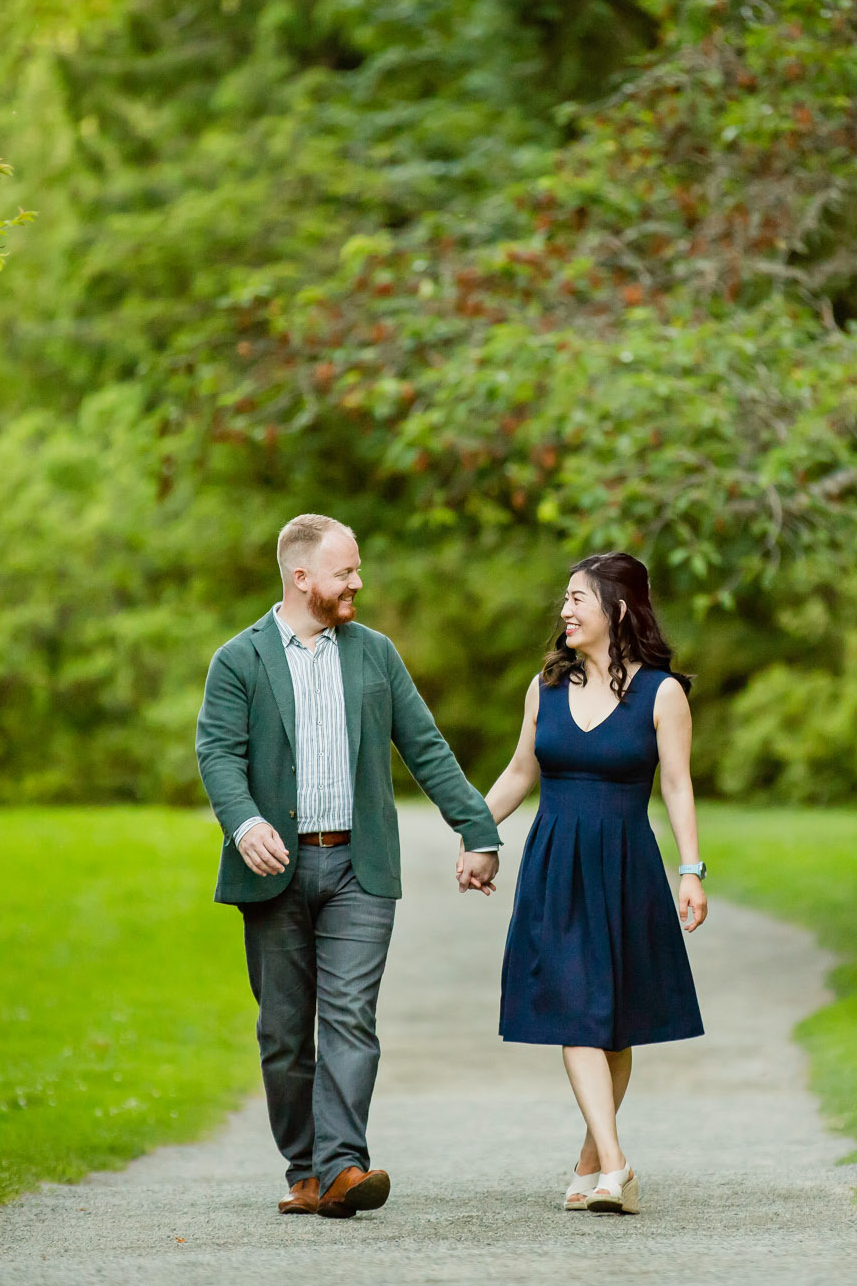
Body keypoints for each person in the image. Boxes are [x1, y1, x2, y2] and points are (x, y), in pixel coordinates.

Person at [195, 514, 503, 1219]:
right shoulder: (238, 660)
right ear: (302, 577)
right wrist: (244, 824)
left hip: (359, 867)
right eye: (346, 572)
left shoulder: (374, 654)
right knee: (282, 1029)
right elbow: (217, 753)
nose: (358, 581)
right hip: (274, 868)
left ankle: (342, 1166)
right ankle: (303, 1168)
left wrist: (477, 828)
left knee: (349, 1016)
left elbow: (425, 745)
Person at [472, 551, 708, 1215]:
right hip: (555, 864)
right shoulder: (544, 685)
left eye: (580, 597)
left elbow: (677, 784)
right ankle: (617, 1166)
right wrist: (475, 830)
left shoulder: (663, 694)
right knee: (578, 1010)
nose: (565, 609)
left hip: (627, 863)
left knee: (615, 1022)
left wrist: (690, 870)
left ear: (620, 608)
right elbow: (520, 772)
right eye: (566, 598)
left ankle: (587, 1163)